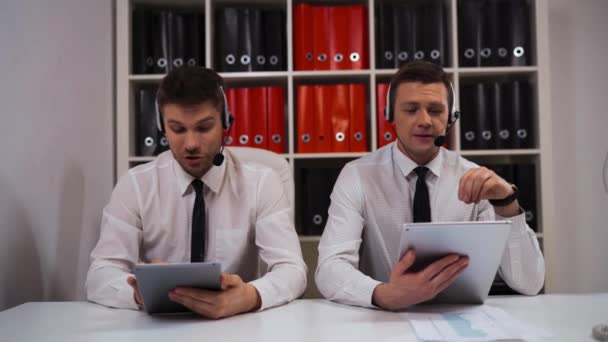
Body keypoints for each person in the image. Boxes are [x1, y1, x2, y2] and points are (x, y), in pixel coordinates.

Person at [315, 61, 545, 310]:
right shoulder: (357, 175)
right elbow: (330, 269)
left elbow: (529, 283)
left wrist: (507, 204)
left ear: (451, 117)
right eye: (411, 109)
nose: (424, 120)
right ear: (390, 115)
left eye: (435, 110)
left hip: (460, 321)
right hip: (384, 319)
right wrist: (384, 294)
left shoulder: (475, 179)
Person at [85, 66, 307, 318]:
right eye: (177, 129)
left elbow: (292, 270)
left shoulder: (262, 183)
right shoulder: (135, 185)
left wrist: (250, 295)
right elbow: (99, 274)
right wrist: (135, 293)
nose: (190, 144)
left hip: (238, 327)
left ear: (226, 123)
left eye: (203, 128)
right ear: (161, 126)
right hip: (157, 329)